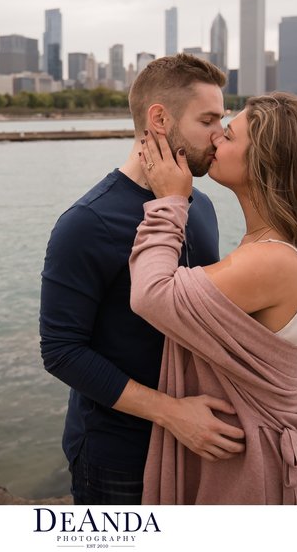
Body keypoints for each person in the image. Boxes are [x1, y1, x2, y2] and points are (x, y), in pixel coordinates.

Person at [40, 54, 247, 505]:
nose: (219, 135)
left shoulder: (201, 205)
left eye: (223, 120)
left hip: (195, 439)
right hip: (117, 453)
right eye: (208, 119)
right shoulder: (86, 222)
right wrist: (173, 414)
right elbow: (60, 351)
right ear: (159, 119)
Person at [130, 92, 297, 504]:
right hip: (281, 458)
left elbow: (151, 295)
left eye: (228, 135)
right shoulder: (284, 243)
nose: (214, 140)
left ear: (263, 163)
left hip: (267, 475)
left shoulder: (271, 260)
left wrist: (169, 202)